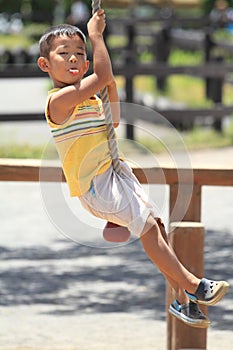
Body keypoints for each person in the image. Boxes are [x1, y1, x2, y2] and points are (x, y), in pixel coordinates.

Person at [37, 9, 230, 329]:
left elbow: (111, 119)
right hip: (95, 184)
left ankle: (183, 302)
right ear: (46, 64)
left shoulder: (88, 100)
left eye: (80, 54)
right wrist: (96, 36)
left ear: (85, 64)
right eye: (64, 53)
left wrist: (109, 84)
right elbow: (99, 78)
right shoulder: (58, 101)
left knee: (156, 225)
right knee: (148, 228)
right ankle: (195, 285)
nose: (73, 59)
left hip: (114, 173)